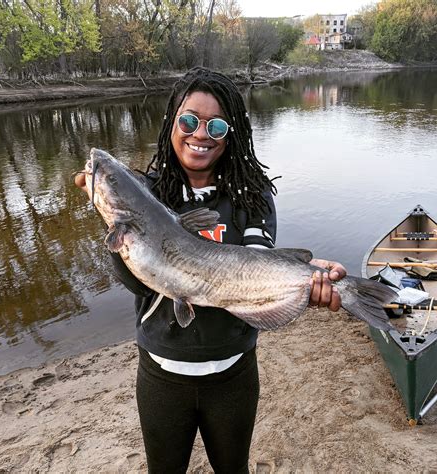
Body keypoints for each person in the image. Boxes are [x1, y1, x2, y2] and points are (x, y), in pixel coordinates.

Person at [75, 67, 346, 473]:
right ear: (172, 123)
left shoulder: (251, 196)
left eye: (215, 126)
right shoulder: (149, 192)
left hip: (232, 374)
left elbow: (255, 266)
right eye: (189, 121)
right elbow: (137, 283)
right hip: (162, 375)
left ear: (230, 133)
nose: (200, 134)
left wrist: (305, 278)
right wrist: (118, 229)